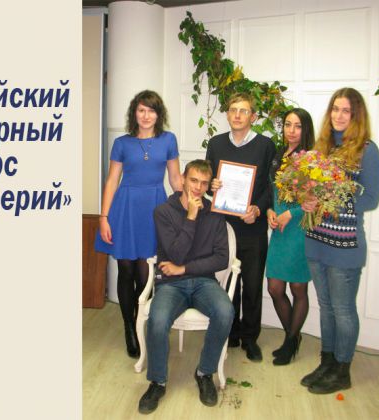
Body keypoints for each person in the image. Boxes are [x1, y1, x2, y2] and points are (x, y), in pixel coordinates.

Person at [299, 87, 379, 394]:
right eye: (335, 109)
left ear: (356, 115)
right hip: (316, 240)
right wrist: (307, 199)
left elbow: (371, 199)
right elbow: (308, 189)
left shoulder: (367, 150)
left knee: (343, 309)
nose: (339, 115)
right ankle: (327, 362)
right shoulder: (321, 149)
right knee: (326, 307)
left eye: (346, 110)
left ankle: (342, 370)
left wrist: (331, 197)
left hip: (345, 247)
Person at [138, 159, 234, 414]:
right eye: (193, 180)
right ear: (182, 179)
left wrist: (184, 269)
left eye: (204, 183)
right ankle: (157, 382)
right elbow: (176, 254)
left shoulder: (215, 212)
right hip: (171, 284)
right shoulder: (163, 212)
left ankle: (204, 373)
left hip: (204, 281)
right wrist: (191, 216)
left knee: (226, 311)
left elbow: (221, 259)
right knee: (158, 320)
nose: (198, 188)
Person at [94, 90, 181, 359]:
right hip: (125, 209)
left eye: (151, 110)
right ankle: (129, 328)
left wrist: (192, 200)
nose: (146, 115)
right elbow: (112, 181)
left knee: (146, 274)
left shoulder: (168, 140)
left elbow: (175, 179)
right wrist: (103, 217)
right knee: (126, 270)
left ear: (158, 114)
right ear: (134, 113)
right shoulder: (122, 143)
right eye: (141, 110)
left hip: (155, 208)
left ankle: (142, 323)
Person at [205, 92, 276, 362]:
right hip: (223, 228)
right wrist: (211, 185)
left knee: (252, 285)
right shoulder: (216, 144)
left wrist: (257, 209)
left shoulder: (265, 145)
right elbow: (208, 182)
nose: (237, 115)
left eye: (243, 110)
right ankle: (231, 331)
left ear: (253, 116)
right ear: (227, 114)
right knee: (226, 282)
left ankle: (250, 338)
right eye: (233, 109)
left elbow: (271, 187)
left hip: (252, 227)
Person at [265, 108, 315, 366]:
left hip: (298, 229)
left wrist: (290, 214)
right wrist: (270, 211)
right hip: (279, 229)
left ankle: (289, 341)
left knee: (297, 288)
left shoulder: (310, 159)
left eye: (297, 126)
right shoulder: (278, 154)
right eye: (287, 125)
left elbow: (314, 200)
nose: (291, 131)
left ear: (305, 129)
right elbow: (271, 191)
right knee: (274, 288)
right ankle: (293, 338)